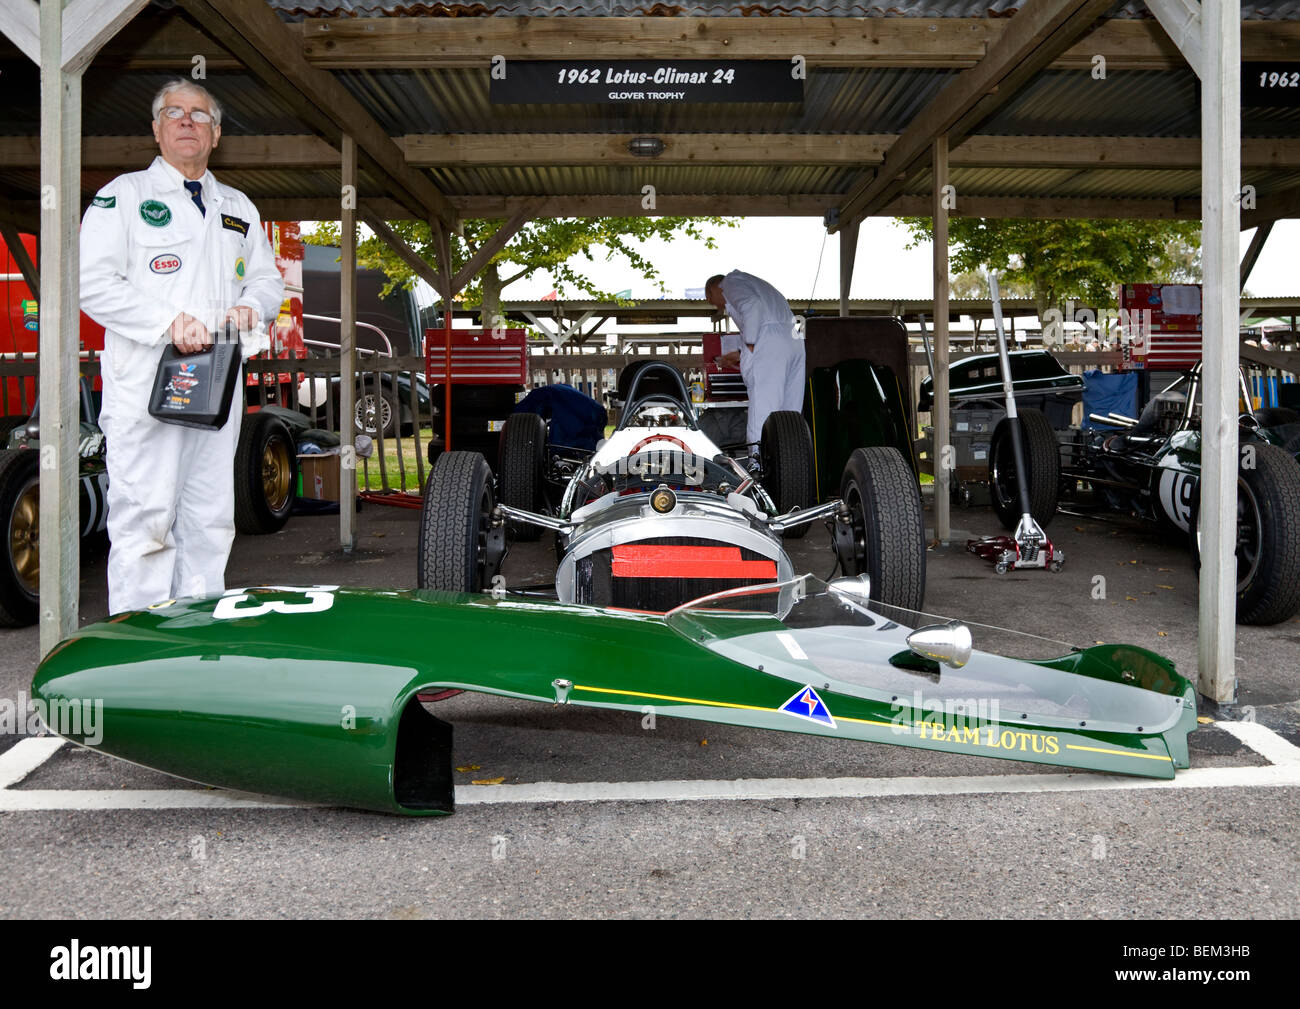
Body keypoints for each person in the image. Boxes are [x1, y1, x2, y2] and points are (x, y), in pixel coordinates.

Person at [80, 80, 284, 613]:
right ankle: (137, 651)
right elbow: (92, 283)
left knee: (212, 517)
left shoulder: (237, 206)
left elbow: (266, 281)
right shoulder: (123, 197)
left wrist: (252, 307)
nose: (187, 121)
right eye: (174, 112)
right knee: (146, 519)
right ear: (156, 127)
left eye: (199, 114)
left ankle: (198, 646)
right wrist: (167, 322)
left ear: (216, 134)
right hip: (148, 384)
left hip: (216, 383)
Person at [704, 270, 806, 455]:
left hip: (771, 343)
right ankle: (792, 464)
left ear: (713, 290)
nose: (718, 307)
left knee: (763, 412)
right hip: (793, 339)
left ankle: (757, 469)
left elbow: (752, 306)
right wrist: (743, 351)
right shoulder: (756, 285)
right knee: (789, 413)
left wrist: (750, 344)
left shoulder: (730, 282)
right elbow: (767, 327)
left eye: (711, 301)